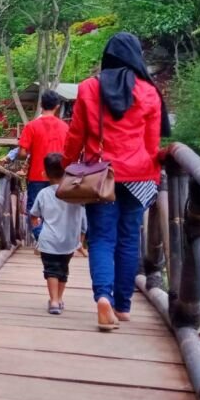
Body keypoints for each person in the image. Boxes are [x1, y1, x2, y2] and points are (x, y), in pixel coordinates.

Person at [63, 32, 168, 332]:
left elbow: (76, 134)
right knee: (128, 237)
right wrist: (152, 169)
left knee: (101, 238)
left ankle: (103, 298)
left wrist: (67, 164)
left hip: (99, 176)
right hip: (138, 177)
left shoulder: (88, 89)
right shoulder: (149, 92)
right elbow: (152, 143)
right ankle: (123, 306)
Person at [30, 154, 87, 315]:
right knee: (63, 269)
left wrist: (37, 225)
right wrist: (81, 240)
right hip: (69, 241)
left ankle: (53, 300)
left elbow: (34, 214)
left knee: (51, 270)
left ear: (44, 174)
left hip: (49, 240)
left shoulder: (44, 194)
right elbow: (83, 219)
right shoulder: (76, 194)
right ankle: (60, 298)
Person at [18, 90, 69, 240]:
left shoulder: (31, 126)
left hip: (37, 174)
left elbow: (22, 152)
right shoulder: (65, 127)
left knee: (34, 208)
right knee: (58, 208)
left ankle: (41, 238)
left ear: (41, 105)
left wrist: (29, 154)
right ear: (57, 106)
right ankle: (53, 240)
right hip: (60, 176)